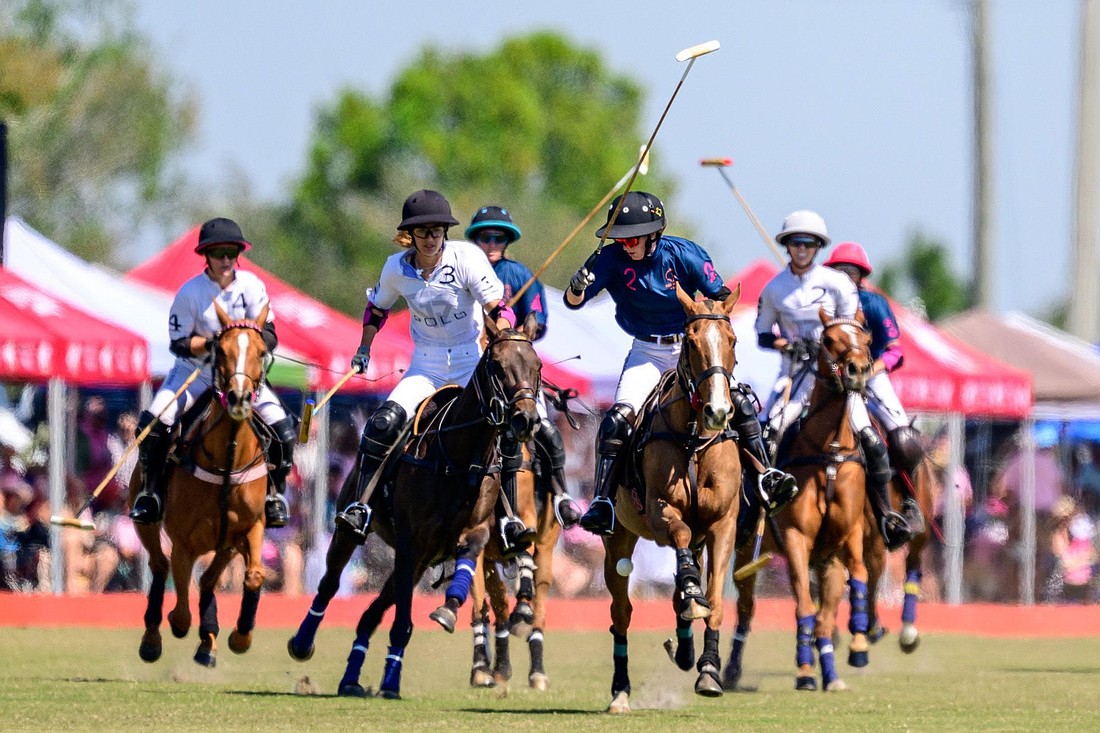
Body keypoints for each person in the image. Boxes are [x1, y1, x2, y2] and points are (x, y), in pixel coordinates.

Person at [564, 191, 796, 535]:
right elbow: (574, 303)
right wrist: (576, 286)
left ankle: (765, 475)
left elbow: (719, 297)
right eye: (621, 238)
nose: (626, 244)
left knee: (742, 404)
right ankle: (604, 501)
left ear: (654, 234)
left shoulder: (684, 255)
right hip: (646, 351)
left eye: (633, 238)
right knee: (616, 420)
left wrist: (709, 331)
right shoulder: (610, 259)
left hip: (692, 350)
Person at [334, 189, 531, 551]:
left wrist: (503, 333)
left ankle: (510, 519)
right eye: (423, 232)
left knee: (504, 430)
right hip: (426, 363)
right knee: (382, 425)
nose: (431, 238)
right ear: (410, 235)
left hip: (472, 363)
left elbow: (498, 306)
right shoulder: (396, 268)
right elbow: (376, 309)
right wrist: (364, 348)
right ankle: (360, 507)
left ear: (445, 232)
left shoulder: (467, 258)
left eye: (437, 231)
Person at [755, 212, 911, 550]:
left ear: (817, 248)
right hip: (795, 372)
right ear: (787, 246)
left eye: (809, 244)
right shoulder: (774, 289)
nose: (802, 249)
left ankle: (886, 512)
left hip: (835, 372)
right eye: (796, 242)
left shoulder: (836, 284)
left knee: (868, 433)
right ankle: (756, 510)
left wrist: (833, 350)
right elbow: (763, 335)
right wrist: (788, 344)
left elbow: (850, 324)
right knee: (769, 428)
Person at [129, 217, 293, 528]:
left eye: (232, 253)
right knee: (153, 423)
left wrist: (247, 339)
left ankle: (274, 495)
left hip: (241, 377)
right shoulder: (190, 293)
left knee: (283, 428)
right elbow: (178, 344)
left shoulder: (253, 286)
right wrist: (212, 343)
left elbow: (271, 334)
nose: (226, 260)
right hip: (196, 373)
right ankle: (150, 494)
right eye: (219, 254)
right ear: (206, 255)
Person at [465, 204, 582, 529]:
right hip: (468, 360)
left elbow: (538, 313)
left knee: (542, 426)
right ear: (475, 240)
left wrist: (526, 328)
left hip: (511, 367)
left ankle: (560, 495)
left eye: (498, 238)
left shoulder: (518, 275)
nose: (491, 244)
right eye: (485, 237)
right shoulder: (464, 273)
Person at [824, 241, 925, 536]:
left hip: (872, 375)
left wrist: (871, 369)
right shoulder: (823, 305)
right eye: (839, 271)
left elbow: (895, 351)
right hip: (834, 378)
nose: (845, 276)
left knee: (903, 435)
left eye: (850, 272)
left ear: (860, 275)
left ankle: (908, 499)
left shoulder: (874, 304)